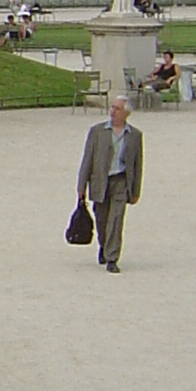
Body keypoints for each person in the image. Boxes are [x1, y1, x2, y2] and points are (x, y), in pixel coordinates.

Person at [77, 97, 143, 272]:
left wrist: (136, 190)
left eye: (117, 109)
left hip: (121, 181)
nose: (113, 111)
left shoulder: (135, 135)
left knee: (116, 220)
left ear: (126, 113)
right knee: (102, 219)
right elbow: (87, 159)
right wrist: (81, 186)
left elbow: (137, 164)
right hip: (100, 181)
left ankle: (112, 257)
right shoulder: (97, 131)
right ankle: (104, 245)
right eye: (112, 108)